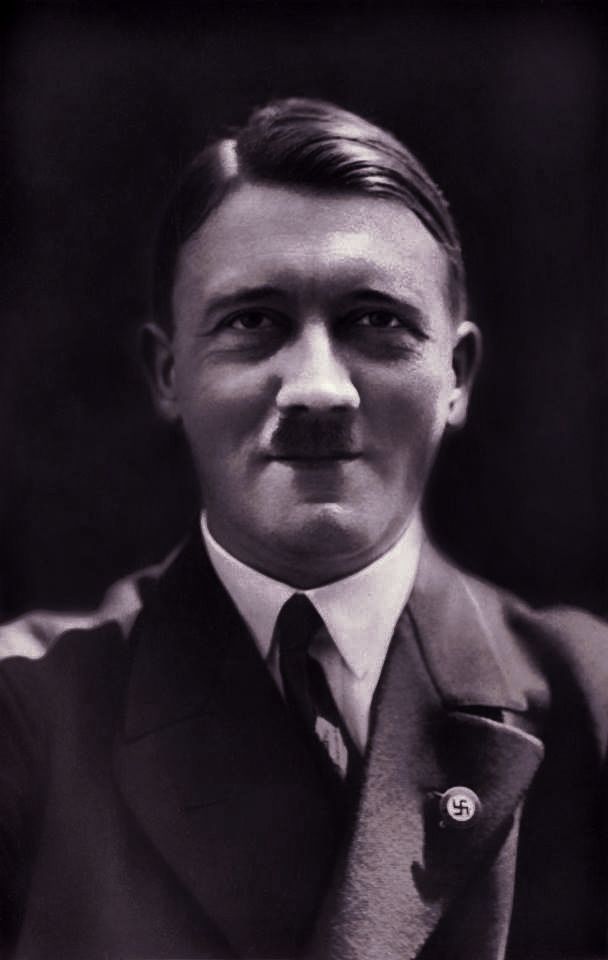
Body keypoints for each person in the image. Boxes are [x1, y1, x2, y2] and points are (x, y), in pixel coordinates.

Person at [0, 97, 607, 960]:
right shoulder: (28, 711)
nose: (319, 389)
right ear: (170, 374)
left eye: (376, 322)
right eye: (254, 323)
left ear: (457, 375)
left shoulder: (590, 701)